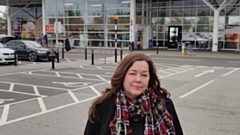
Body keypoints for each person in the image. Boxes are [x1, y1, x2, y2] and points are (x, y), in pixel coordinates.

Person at [84, 52, 183, 135]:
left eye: (144, 75)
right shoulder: (102, 107)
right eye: (132, 73)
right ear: (122, 75)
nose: (138, 80)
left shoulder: (164, 105)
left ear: (149, 78)